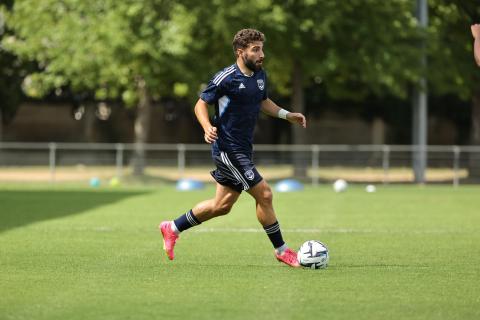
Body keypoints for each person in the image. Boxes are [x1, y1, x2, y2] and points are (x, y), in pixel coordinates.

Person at [159, 28, 306, 267]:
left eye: (262, 49)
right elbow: (200, 104)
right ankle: (282, 250)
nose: (262, 54)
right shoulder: (225, 78)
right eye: (256, 49)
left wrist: (287, 115)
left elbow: (263, 101)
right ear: (240, 52)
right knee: (265, 194)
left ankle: (172, 227)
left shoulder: (260, 76)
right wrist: (207, 127)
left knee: (222, 206)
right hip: (227, 148)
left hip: (243, 148)